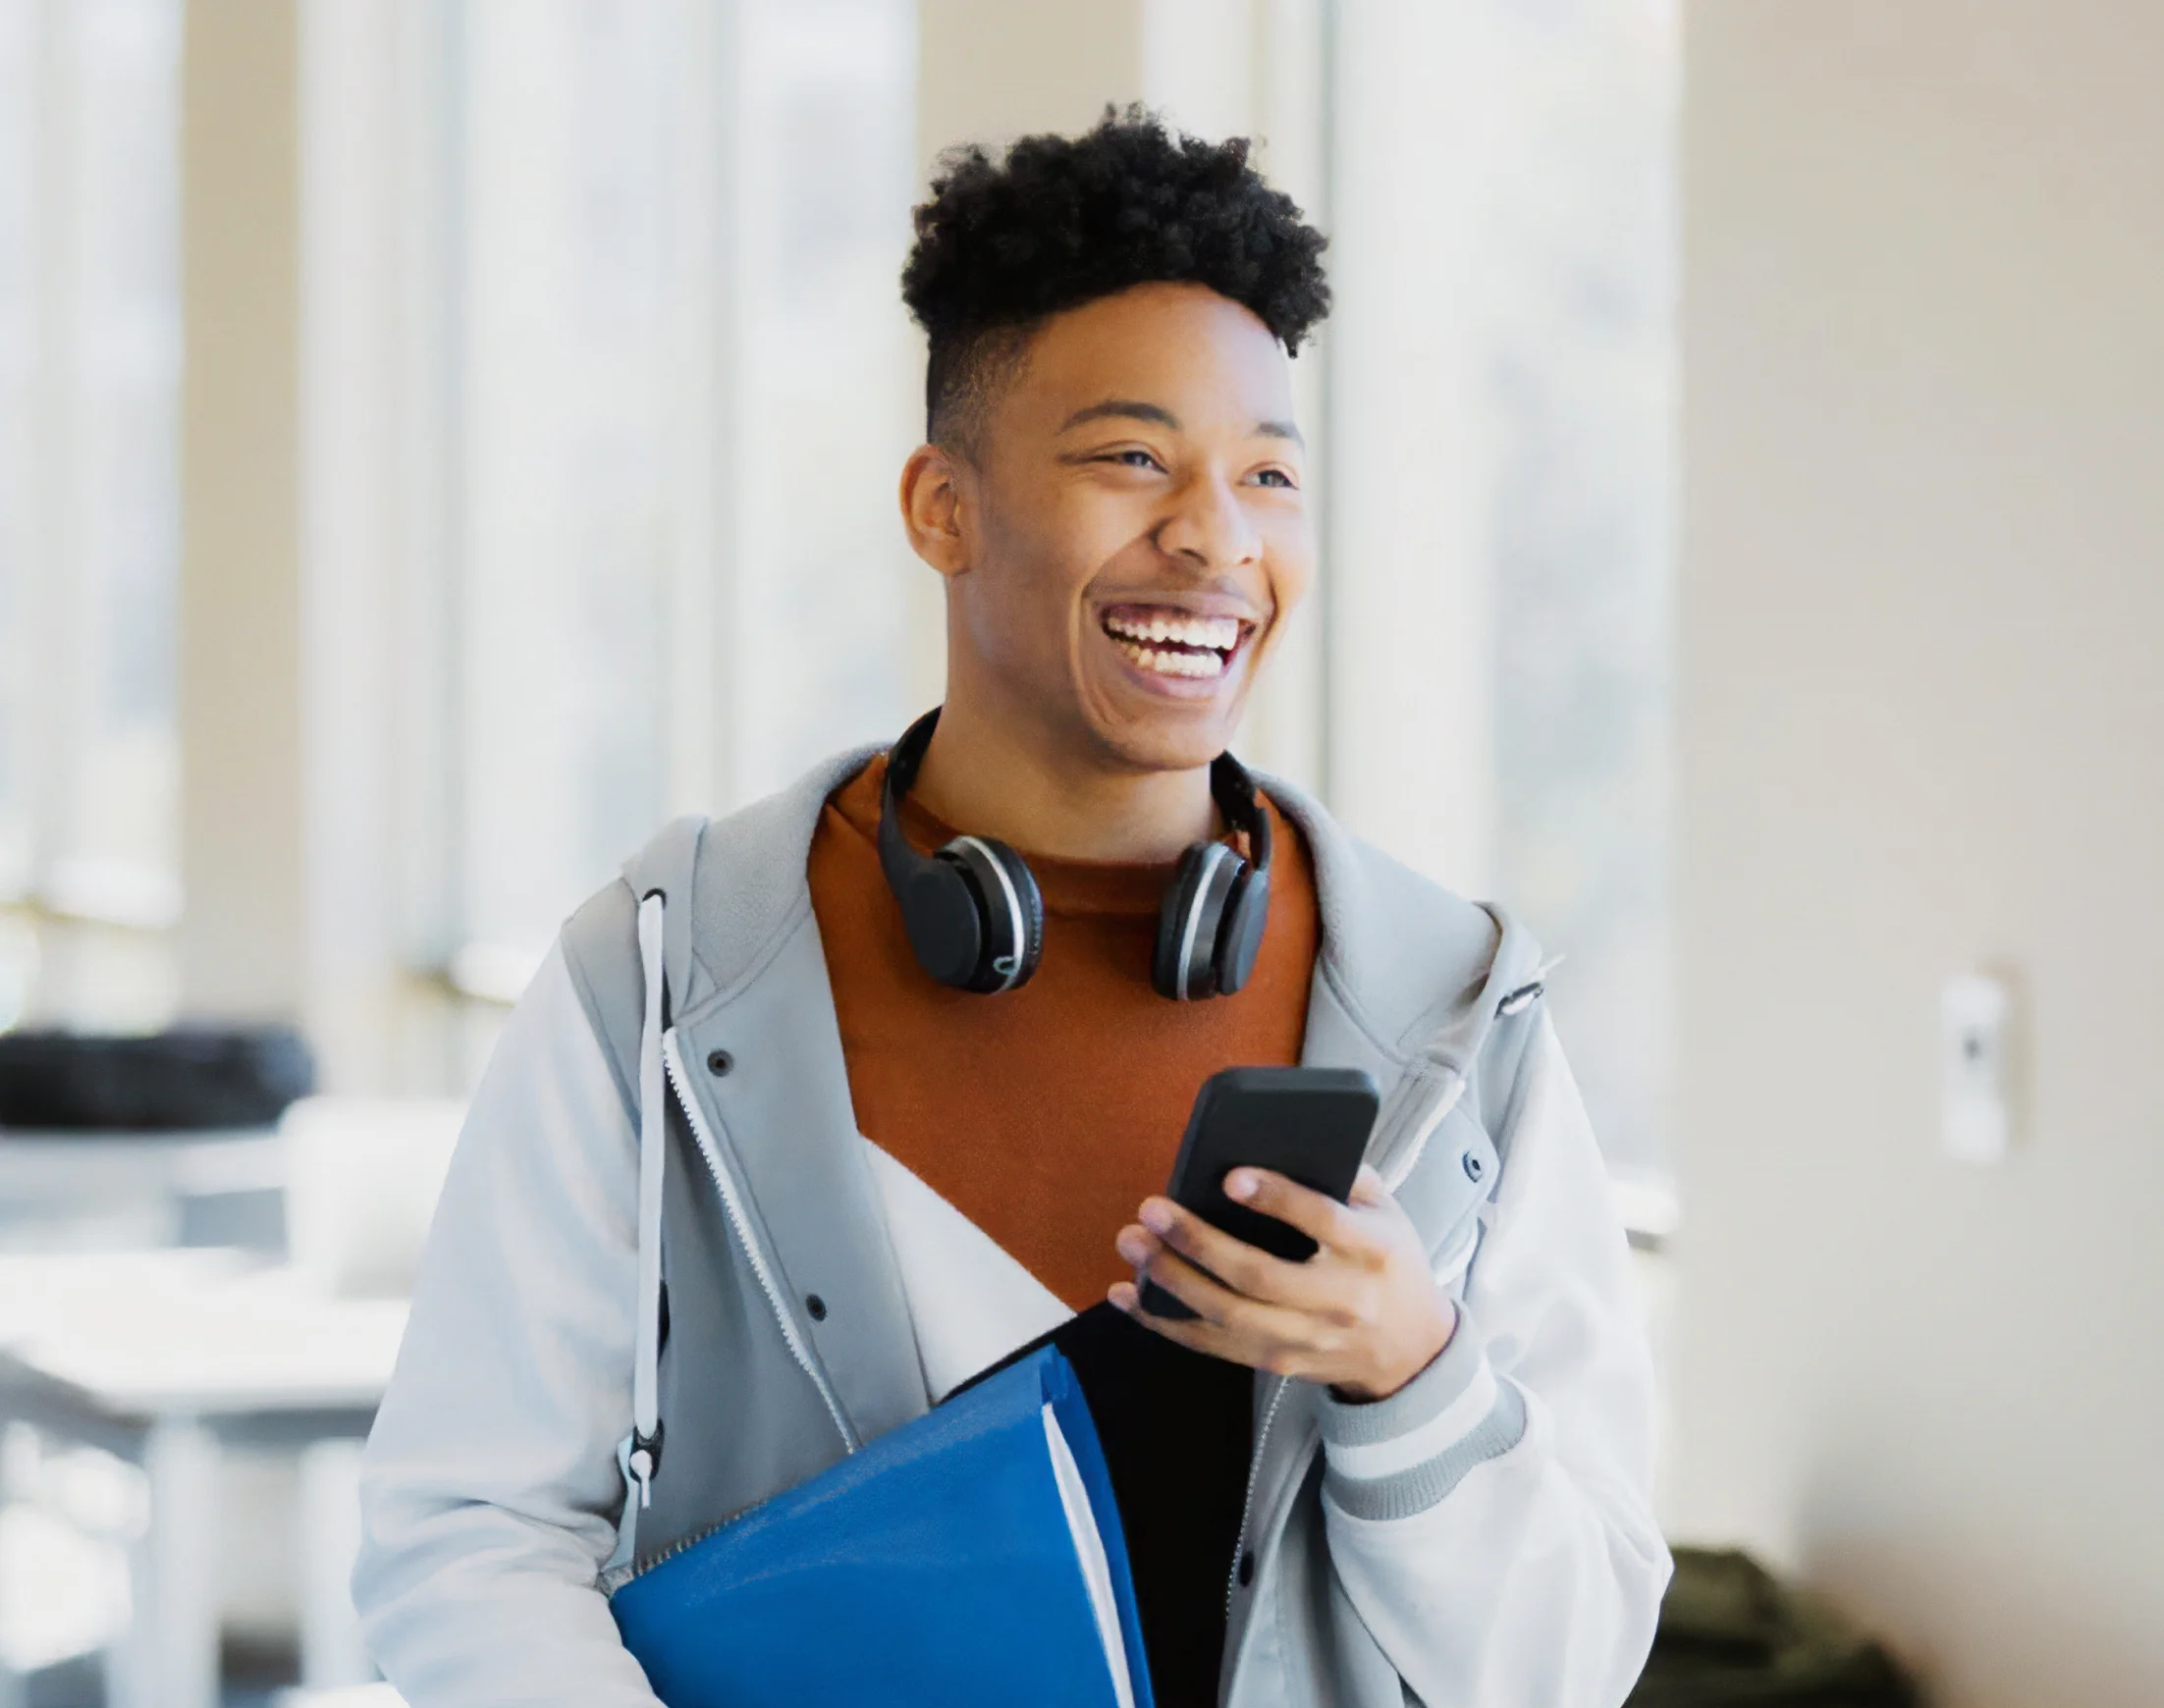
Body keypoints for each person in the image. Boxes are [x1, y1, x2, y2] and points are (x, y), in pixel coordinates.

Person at [353, 109, 1670, 1708]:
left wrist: (1414, 1376)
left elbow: (1569, 1667)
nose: (1215, 536)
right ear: (941, 509)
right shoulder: (672, 970)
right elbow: (470, 1532)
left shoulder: (1456, 1011)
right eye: (1132, 457)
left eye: (1268, 473)